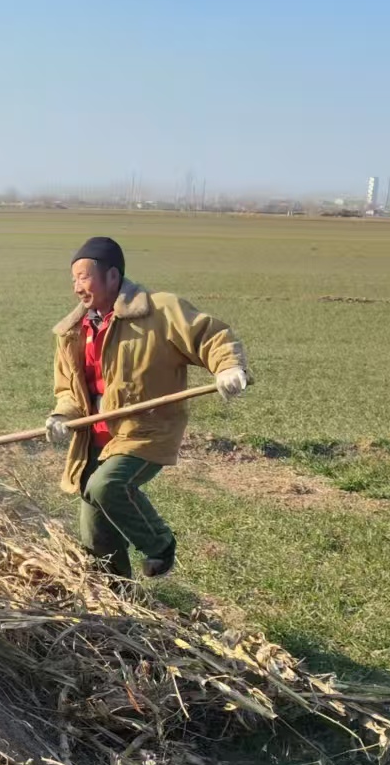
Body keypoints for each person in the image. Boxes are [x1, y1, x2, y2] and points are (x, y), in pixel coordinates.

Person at [46, 236, 250, 580]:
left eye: (84, 277)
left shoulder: (160, 311)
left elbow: (211, 337)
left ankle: (160, 545)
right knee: (95, 535)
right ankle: (115, 597)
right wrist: (62, 415)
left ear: (113, 276)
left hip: (145, 431)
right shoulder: (72, 333)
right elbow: (69, 389)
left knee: (105, 486)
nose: (77, 287)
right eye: (74, 279)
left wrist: (228, 367)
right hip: (93, 440)